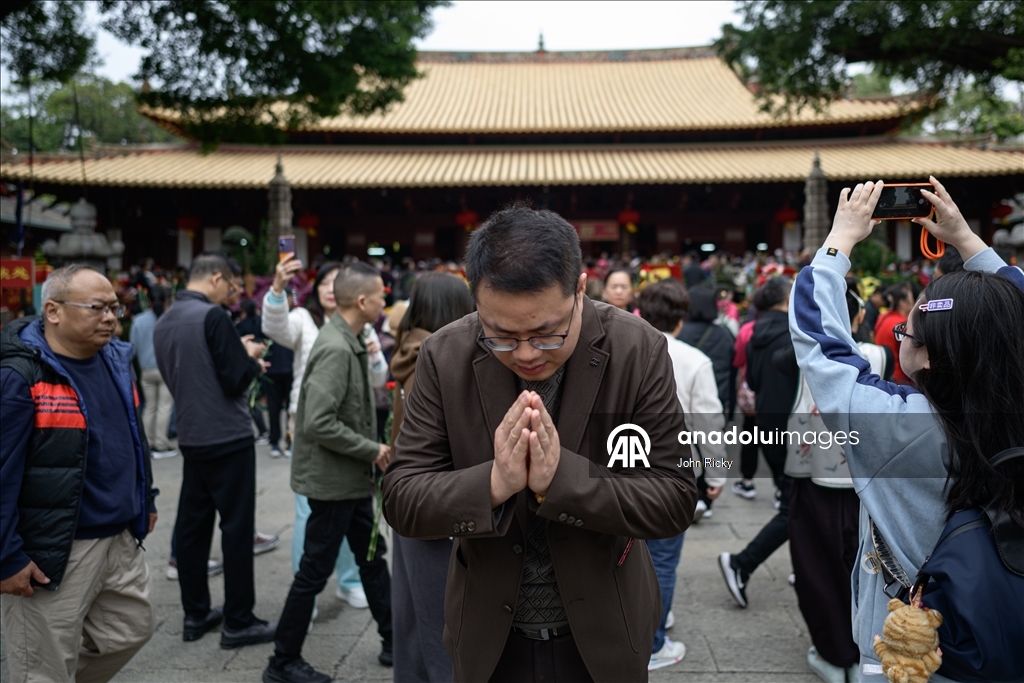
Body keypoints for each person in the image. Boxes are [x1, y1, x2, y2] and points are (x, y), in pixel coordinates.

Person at [382, 204, 697, 683]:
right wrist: (493, 483)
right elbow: (402, 497)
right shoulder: (445, 356)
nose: (526, 354)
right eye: (502, 336)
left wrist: (561, 482)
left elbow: (673, 497)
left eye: (547, 334)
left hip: (605, 632)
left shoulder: (635, 350)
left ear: (581, 289)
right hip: (488, 634)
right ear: (476, 301)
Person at [790, 177, 1024, 682]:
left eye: (907, 332)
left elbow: (821, 345)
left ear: (931, 358)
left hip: (910, 648)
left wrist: (838, 243)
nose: (901, 335)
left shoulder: (896, 425)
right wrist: (968, 240)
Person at [1, 265, 158, 682]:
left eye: (114, 307)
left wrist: (148, 496)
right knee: (42, 667)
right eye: (97, 308)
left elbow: (131, 433)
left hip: (119, 536)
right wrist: (6, 556)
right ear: (52, 311)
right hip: (53, 548)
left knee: (129, 633)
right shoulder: (21, 375)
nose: (110, 317)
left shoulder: (114, 358)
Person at [262, 262, 394, 683]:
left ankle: (395, 640)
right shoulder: (337, 347)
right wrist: (373, 449)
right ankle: (282, 662)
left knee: (372, 558)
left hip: (349, 479)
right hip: (334, 481)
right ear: (362, 300)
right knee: (314, 572)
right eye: (380, 295)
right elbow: (318, 422)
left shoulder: (350, 338)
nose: (384, 301)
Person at [154, 251, 278, 648]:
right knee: (236, 529)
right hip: (227, 434)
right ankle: (239, 620)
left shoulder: (166, 319)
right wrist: (253, 359)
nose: (233, 293)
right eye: (233, 285)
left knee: (193, 528)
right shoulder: (213, 316)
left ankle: (196, 614)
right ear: (217, 278)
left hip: (192, 434)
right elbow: (233, 379)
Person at [636, 278, 726, 671]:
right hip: (673, 469)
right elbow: (709, 424)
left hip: (622, 463)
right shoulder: (693, 359)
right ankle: (654, 642)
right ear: (680, 318)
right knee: (664, 559)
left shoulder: (624, 351)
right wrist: (717, 474)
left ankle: (634, 627)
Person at [389, 272, 474, 683]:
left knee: (410, 610)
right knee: (442, 614)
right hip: (436, 496)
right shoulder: (440, 356)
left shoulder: (406, 349)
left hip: (405, 491)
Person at [718, 276, 798, 609]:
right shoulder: (797, 331)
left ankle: (801, 564)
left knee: (793, 499)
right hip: (796, 426)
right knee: (797, 504)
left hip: (766, 419)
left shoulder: (751, 332)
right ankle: (742, 562)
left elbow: (749, 376)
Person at [130, 286, 177, 458]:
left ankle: (146, 442)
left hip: (146, 370)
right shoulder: (170, 319)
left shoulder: (139, 320)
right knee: (164, 407)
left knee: (149, 406)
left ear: (147, 301)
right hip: (166, 368)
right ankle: (161, 443)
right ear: (166, 300)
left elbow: (132, 347)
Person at [872, 281, 915, 384]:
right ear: (902, 303)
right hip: (899, 379)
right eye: (911, 298)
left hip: (883, 371)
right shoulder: (902, 325)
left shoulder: (883, 317)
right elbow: (908, 358)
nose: (914, 301)